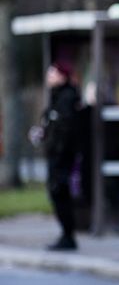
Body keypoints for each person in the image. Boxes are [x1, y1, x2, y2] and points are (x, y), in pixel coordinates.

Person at [33, 62, 85, 250]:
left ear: (63, 76)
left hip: (61, 156)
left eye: (53, 73)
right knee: (56, 193)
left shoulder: (67, 98)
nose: (49, 76)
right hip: (56, 154)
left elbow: (66, 129)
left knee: (59, 192)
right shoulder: (57, 98)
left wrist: (58, 148)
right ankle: (66, 234)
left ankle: (68, 236)